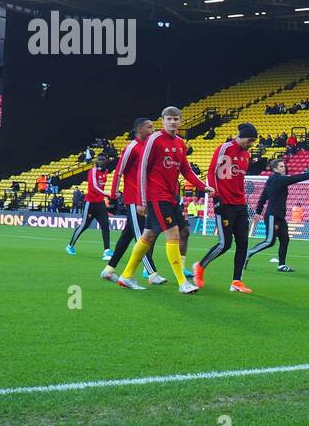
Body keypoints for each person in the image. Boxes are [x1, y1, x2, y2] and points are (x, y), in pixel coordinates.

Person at [116, 106, 214, 293]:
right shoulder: (154, 140)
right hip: (156, 196)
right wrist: (141, 200)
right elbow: (142, 169)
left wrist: (203, 186)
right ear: (163, 120)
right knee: (174, 234)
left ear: (181, 121)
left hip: (171, 197)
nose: (173, 122)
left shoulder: (179, 142)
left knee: (149, 235)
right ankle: (182, 282)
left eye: (176, 119)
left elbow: (186, 169)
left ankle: (126, 276)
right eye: (169, 119)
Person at [193, 124, 258, 293]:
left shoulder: (246, 155)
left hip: (240, 204)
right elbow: (212, 172)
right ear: (241, 136)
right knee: (225, 243)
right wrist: (216, 198)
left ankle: (237, 281)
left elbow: (238, 180)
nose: (251, 144)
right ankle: (200, 267)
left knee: (243, 242)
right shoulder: (225, 148)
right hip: (224, 202)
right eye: (250, 140)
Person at [101, 117, 166, 285]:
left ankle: (109, 270)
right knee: (142, 237)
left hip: (145, 197)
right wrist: (113, 195)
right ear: (139, 130)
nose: (152, 130)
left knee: (129, 234)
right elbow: (119, 171)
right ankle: (151, 273)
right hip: (134, 199)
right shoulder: (132, 147)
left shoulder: (148, 147)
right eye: (149, 127)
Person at [247, 158, 309, 272]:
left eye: (284, 166)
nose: (284, 168)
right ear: (275, 169)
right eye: (281, 166)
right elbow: (297, 178)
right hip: (272, 216)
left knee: (285, 239)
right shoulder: (278, 179)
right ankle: (248, 253)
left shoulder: (272, 179)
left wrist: (258, 212)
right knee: (269, 241)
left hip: (279, 216)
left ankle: (281, 265)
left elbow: (263, 196)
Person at [66, 157, 112, 258]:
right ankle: (70, 245)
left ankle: (107, 251)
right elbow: (94, 187)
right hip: (90, 203)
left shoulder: (106, 171)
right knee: (84, 225)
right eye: (100, 160)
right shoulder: (92, 171)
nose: (101, 162)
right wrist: (107, 194)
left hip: (100, 203)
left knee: (105, 225)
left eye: (103, 160)